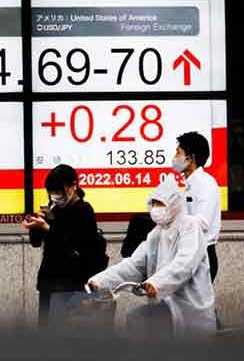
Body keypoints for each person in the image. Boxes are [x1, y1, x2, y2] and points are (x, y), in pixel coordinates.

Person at [87, 179, 216, 336]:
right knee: (137, 320)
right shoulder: (156, 233)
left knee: (140, 319)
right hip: (165, 303)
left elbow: (184, 264)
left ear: (174, 204)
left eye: (161, 204)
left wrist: (156, 283)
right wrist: (100, 281)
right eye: (153, 204)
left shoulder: (190, 226)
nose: (156, 209)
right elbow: (134, 265)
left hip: (189, 307)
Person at [20, 164, 105, 327]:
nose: (56, 196)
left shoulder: (84, 210)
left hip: (73, 283)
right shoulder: (53, 208)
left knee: (65, 333)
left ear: (73, 186)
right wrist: (35, 226)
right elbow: (36, 243)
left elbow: (77, 245)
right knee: (46, 332)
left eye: (60, 191)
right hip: (49, 281)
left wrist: (48, 228)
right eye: (52, 192)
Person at [174, 132, 220, 282]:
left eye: (178, 152)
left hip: (203, 255)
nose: (175, 157)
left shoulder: (206, 183)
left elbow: (203, 222)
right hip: (187, 253)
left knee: (199, 305)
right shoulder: (187, 184)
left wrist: (173, 218)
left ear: (190, 158)